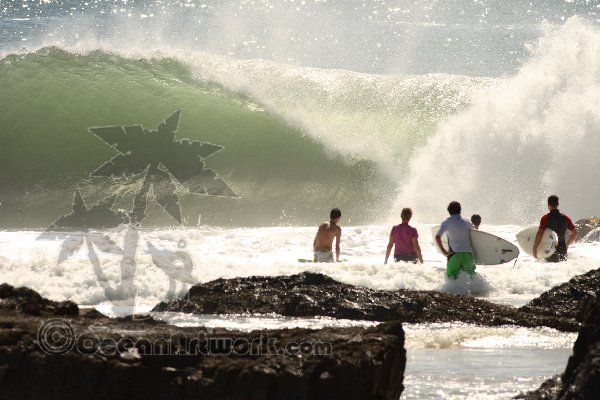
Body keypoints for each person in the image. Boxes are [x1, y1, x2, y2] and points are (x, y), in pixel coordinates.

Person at [436, 201, 476, 279]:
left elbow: (437, 237)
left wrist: (443, 250)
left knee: (451, 279)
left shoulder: (446, 222)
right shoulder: (468, 221)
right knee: (471, 278)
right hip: (467, 254)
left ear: (449, 211)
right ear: (460, 210)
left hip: (454, 255)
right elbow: (475, 235)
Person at [533, 195, 577, 262]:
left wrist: (535, 248)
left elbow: (540, 233)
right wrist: (567, 244)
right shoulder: (566, 218)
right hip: (562, 249)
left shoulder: (545, 218)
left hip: (549, 249)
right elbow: (574, 233)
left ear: (548, 205)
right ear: (558, 204)